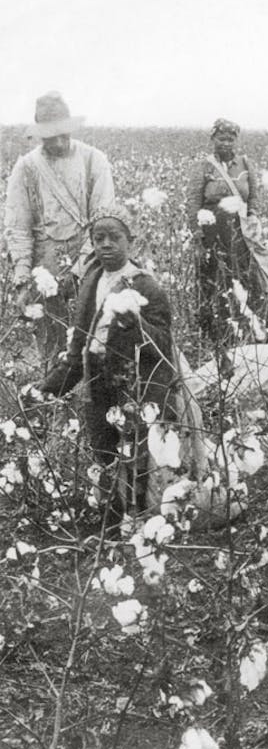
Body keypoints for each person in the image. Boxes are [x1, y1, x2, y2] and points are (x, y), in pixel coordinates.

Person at [37, 205, 182, 523]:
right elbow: (81, 341)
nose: (105, 244)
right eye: (98, 237)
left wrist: (137, 326)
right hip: (97, 378)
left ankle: (139, 516)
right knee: (102, 447)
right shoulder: (91, 281)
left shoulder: (145, 286)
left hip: (135, 381)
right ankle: (110, 519)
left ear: (130, 241)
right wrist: (54, 383)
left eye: (113, 237)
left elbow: (162, 345)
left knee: (136, 451)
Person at [4, 91, 115, 365]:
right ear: (40, 135)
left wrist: (79, 270)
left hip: (91, 259)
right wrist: (22, 277)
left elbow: (103, 219)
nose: (59, 141)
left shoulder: (94, 160)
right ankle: (56, 402)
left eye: (63, 133)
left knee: (97, 338)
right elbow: (18, 227)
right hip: (45, 267)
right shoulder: (27, 167)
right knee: (52, 344)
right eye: (51, 136)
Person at [186, 119, 268, 372]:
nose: (226, 142)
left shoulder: (245, 165)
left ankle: (259, 334)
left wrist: (253, 217)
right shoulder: (203, 166)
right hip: (213, 235)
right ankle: (220, 341)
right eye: (221, 138)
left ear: (237, 140)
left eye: (230, 138)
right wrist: (199, 237)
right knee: (214, 287)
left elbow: (254, 196)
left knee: (249, 283)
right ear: (213, 140)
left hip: (241, 236)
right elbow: (193, 203)